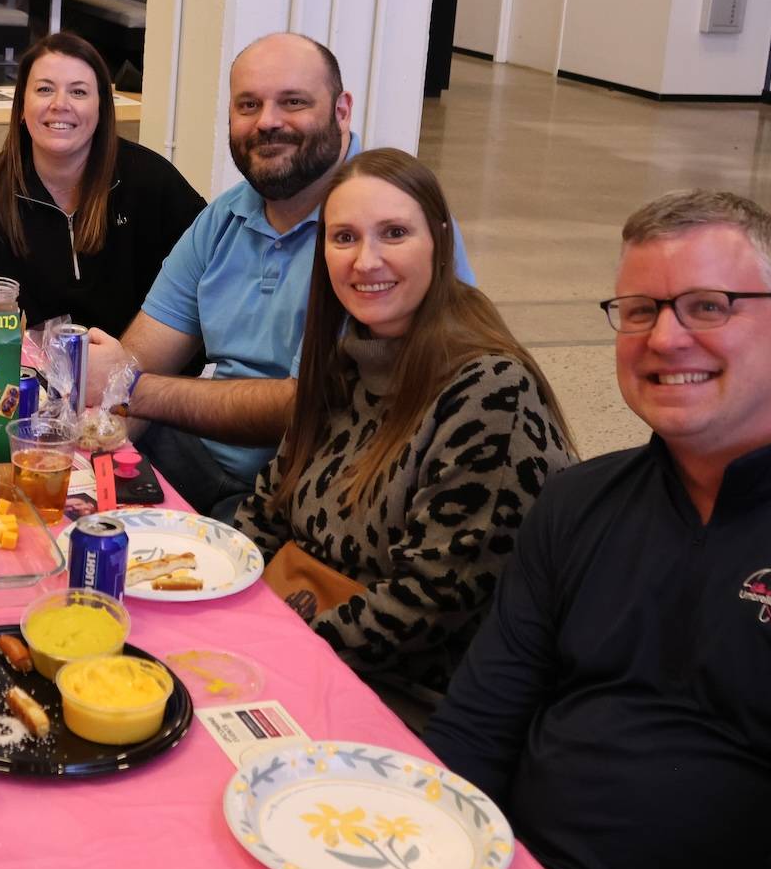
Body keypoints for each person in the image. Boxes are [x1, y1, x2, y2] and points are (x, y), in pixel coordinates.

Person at [425, 191, 771, 869]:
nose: (667, 339)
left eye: (708, 306)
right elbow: (473, 732)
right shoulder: (578, 502)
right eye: (640, 310)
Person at [230, 149, 573, 725]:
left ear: (439, 241)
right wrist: (218, 597)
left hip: (408, 699)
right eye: (344, 238)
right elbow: (267, 509)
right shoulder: (348, 359)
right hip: (310, 648)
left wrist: (273, 646)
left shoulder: (491, 392)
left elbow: (429, 603)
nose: (367, 261)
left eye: (394, 233)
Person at [84, 32, 473, 518]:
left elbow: (308, 407)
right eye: (249, 104)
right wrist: (93, 456)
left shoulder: (382, 235)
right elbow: (143, 356)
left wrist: (132, 389)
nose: (268, 122)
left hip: (317, 488)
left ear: (342, 110)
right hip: (205, 456)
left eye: (293, 102)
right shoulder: (226, 215)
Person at [0, 32, 203, 336]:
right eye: (45, 89)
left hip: (141, 374)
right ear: (21, 107)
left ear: (101, 110)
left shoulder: (152, 182)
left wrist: (135, 368)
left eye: (79, 92)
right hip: (29, 378)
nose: (60, 104)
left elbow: (204, 285)